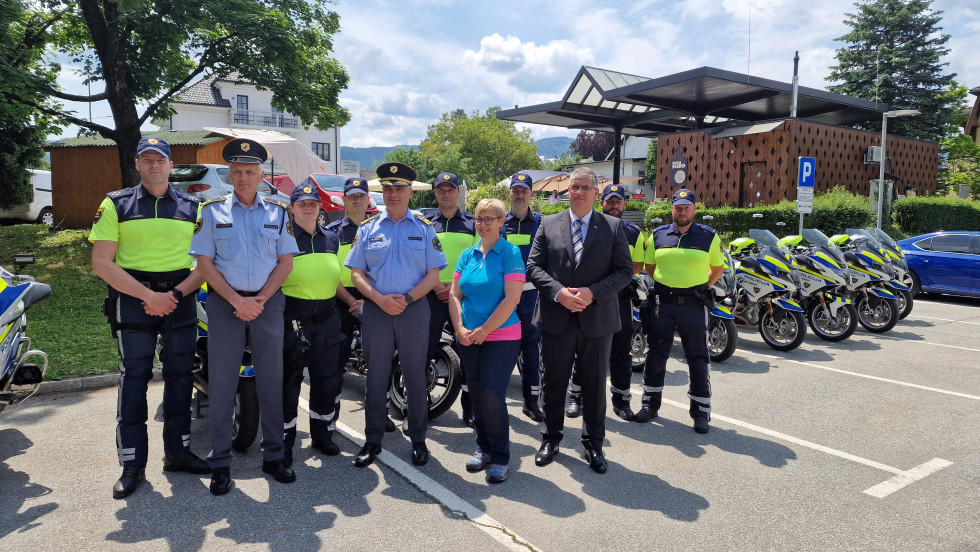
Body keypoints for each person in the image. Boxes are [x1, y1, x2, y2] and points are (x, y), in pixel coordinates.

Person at [90, 136, 211, 499]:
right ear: (138, 165)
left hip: (180, 296)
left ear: (172, 166)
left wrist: (173, 295)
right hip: (133, 296)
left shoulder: (194, 206)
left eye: (161, 160)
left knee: (179, 377)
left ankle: (177, 452)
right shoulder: (116, 204)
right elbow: (101, 263)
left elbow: (206, 265)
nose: (155, 165)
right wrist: (148, 296)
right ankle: (132, 465)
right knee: (134, 378)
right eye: (148, 159)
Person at [189, 138, 299, 495]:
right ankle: (220, 463)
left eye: (250, 171)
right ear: (230, 175)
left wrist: (261, 298)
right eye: (237, 171)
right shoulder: (212, 211)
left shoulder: (278, 212)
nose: (244, 177)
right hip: (226, 305)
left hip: (267, 305)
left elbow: (285, 261)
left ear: (261, 174)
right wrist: (237, 300)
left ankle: (274, 456)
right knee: (222, 385)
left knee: (271, 381)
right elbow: (203, 264)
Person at [525, 167, 633, 474]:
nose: (579, 192)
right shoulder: (548, 224)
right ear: (566, 190)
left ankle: (593, 445)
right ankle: (550, 438)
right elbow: (534, 266)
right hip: (556, 317)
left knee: (594, 385)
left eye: (586, 187)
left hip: (596, 319)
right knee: (554, 382)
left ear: (596, 193)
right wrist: (559, 293)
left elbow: (625, 272)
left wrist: (592, 293)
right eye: (574, 187)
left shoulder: (612, 227)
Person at [345, 161, 446, 468]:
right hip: (377, 311)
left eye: (399, 189)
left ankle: (418, 439)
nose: (393, 194)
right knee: (375, 378)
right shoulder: (367, 229)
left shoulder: (425, 230)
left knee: (415, 377)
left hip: (413, 310)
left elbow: (433, 275)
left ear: (410, 193)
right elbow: (356, 274)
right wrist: (377, 299)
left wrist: (407, 298)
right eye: (387, 189)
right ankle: (372, 439)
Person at [448, 198, 524, 483]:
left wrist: (484, 331)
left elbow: (512, 298)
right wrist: (459, 328)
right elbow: (455, 294)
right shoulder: (467, 255)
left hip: (501, 336)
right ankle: (483, 448)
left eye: (490, 219)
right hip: (467, 336)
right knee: (477, 394)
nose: (483, 224)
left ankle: (501, 456)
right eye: (479, 218)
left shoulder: (510, 253)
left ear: (502, 221)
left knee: (492, 396)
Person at [639, 188, 725, 433]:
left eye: (687, 207)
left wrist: (699, 287)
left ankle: (700, 412)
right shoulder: (658, 234)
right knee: (656, 355)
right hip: (663, 304)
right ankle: (649, 404)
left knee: (697, 358)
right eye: (678, 207)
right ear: (672, 209)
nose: (682, 211)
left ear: (694, 210)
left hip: (694, 305)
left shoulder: (709, 236)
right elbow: (649, 266)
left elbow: (717, 269)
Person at [280, 184, 354, 467]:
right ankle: (285, 440)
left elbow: (334, 280)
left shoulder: (331, 238)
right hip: (292, 319)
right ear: (292, 207)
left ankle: (322, 433)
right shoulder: (283, 239)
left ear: (320, 207)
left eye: (313, 203)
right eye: (302, 203)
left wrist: (350, 301)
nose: (308, 208)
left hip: (327, 319)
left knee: (326, 379)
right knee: (289, 382)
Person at [565, 184, 646, 421]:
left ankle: (621, 401)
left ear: (624, 205)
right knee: (584, 350)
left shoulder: (633, 232)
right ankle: (575, 396)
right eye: (609, 201)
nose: (613, 206)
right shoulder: (591, 226)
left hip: (619, 298)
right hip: (590, 298)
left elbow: (637, 267)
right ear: (602, 203)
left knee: (621, 352)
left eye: (617, 201)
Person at [326, 177, 398, 434]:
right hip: (341, 300)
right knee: (337, 362)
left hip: (374, 298)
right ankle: (331, 417)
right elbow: (329, 273)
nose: (357, 200)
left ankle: (382, 413)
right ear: (344, 200)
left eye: (361, 196)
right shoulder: (333, 232)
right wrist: (352, 300)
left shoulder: (380, 228)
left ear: (369, 199)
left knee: (380, 362)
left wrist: (369, 299)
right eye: (352, 196)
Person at [423, 173, 477, 426]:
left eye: (450, 189)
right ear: (435, 193)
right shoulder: (423, 224)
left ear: (458, 193)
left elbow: (480, 260)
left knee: (468, 352)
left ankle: (470, 409)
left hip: (462, 296)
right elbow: (417, 260)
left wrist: (456, 287)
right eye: (441, 189)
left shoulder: (472, 223)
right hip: (431, 295)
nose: (446, 193)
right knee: (424, 351)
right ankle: (418, 403)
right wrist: (436, 285)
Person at [500, 172, 544, 422]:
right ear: (510, 193)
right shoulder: (499, 222)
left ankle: (530, 403)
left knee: (531, 354)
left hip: (531, 301)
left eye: (523, 191)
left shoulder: (541, 223)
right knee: (502, 352)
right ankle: (498, 404)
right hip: (504, 299)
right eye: (515, 190)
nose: (519, 195)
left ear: (530, 194)